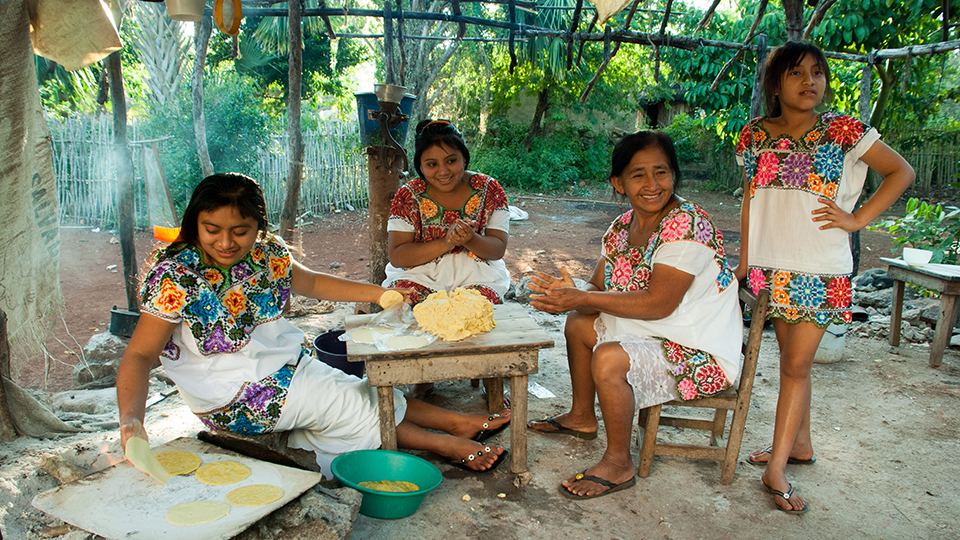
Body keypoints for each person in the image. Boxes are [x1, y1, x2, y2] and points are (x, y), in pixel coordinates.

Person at [116, 173, 510, 477]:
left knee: (359, 388)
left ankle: (458, 422)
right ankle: (446, 444)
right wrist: (131, 421)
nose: (226, 243)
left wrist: (377, 294)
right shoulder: (175, 277)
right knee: (353, 405)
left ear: (258, 226)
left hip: (282, 366)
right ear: (194, 224)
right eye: (212, 230)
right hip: (231, 392)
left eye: (240, 231)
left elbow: (314, 282)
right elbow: (139, 354)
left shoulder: (267, 251)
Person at [735, 41, 914, 513]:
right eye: (796, 73)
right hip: (770, 267)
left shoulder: (845, 130)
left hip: (821, 269)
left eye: (817, 72)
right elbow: (750, 200)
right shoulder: (754, 134)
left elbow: (901, 172)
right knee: (793, 362)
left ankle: (776, 468)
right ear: (775, 84)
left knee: (796, 366)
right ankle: (799, 445)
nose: (810, 81)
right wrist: (745, 261)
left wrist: (857, 220)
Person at [527, 131, 742, 499]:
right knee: (579, 323)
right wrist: (570, 295)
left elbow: (659, 303)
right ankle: (582, 416)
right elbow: (597, 286)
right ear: (618, 182)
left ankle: (618, 462)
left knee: (610, 360)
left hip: (697, 348)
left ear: (674, 175)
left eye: (661, 172)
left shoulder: (687, 223)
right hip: (656, 331)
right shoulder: (621, 228)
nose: (652, 184)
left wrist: (581, 296)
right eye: (638, 174)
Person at [384, 119, 512, 398]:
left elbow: (497, 249)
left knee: (477, 312)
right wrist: (445, 242)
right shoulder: (408, 195)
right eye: (431, 164)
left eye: (451, 161)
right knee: (405, 305)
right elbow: (398, 256)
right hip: (420, 271)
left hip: (478, 271)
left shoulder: (490, 189)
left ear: (464, 157)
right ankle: (422, 374)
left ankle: (490, 373)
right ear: (421, 166)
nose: (443, 171)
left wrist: (470, 239)